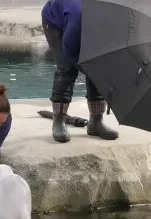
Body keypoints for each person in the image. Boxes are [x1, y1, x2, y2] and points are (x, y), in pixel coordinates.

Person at [41, 0, 118, 143]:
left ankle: (96, 121)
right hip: (55, 22)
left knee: (99, 66)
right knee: (66, 69)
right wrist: (88, 67)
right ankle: (59, 120)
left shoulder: (112, 11)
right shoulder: (78, 12)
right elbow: (70, 48)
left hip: (88, 20)